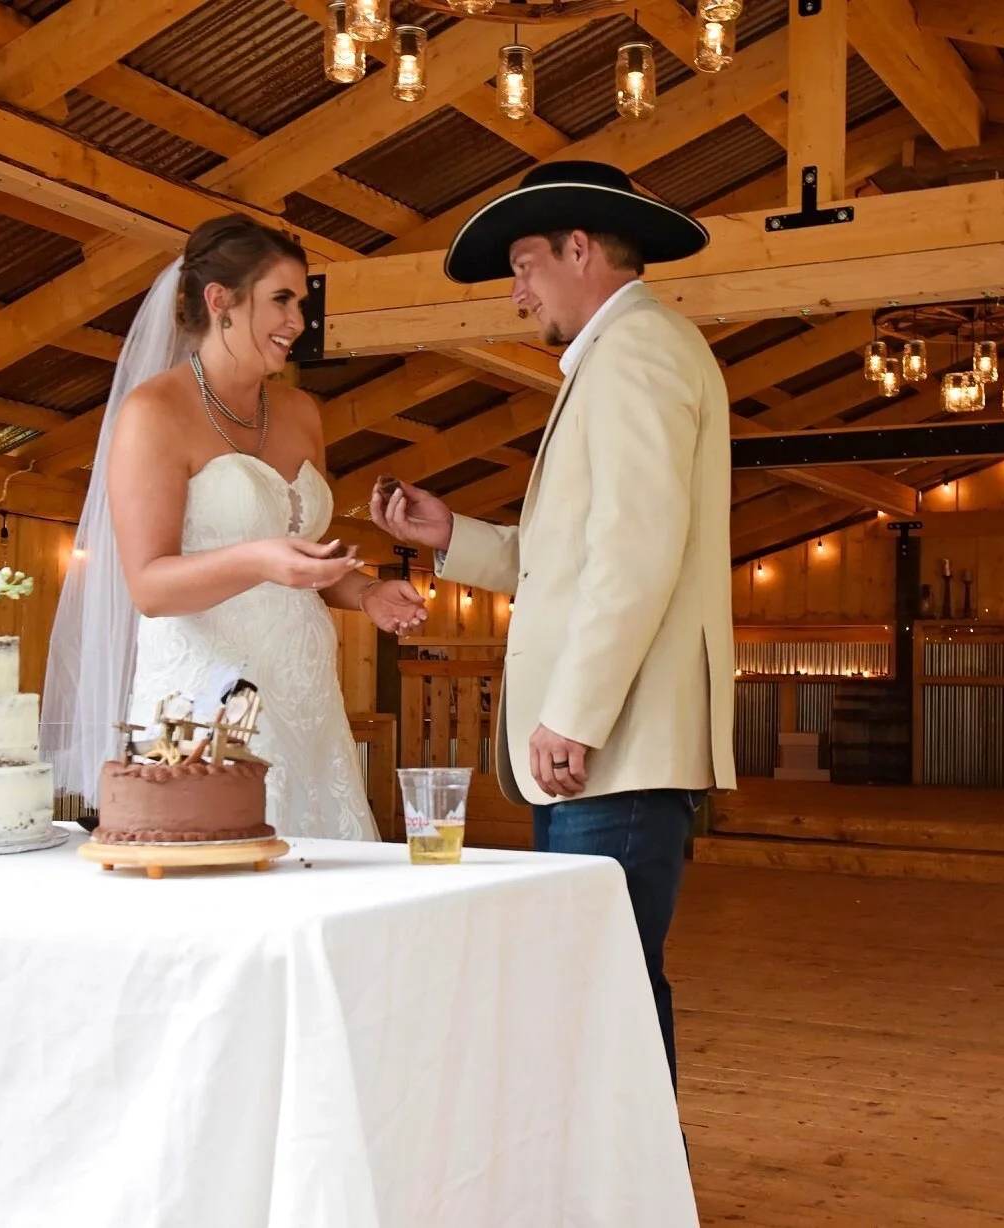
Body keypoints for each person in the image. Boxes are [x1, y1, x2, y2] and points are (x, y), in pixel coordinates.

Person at [369, 162, 737, 1089]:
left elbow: (636, 552)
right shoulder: (632, 351)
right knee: (603, 988)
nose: (517, 290)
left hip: (611, 746)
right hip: (610, 749)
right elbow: (567, 555)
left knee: (595, 991)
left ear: (580, 249)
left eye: (526, 264)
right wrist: (451, 536)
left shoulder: (637, 351)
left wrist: (574, 712)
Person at [41, 214, 427, 840]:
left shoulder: (303, 412)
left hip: (307, 701)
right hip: (208, 705)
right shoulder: (154, 412)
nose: (298, 322)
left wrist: (364, 593)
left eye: (301, 303)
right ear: (220, 301)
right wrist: (259, 561)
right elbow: (150, 587)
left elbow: (303, 561)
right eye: (281, 300)